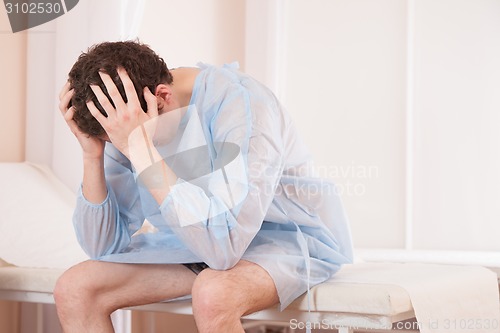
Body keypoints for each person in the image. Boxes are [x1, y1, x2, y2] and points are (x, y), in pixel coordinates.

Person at [54, 40, 353, 333]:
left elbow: (224, 249)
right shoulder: (130, 118)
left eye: (126, 143)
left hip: (285, 242)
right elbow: (103, 247)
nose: (124, 150)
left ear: (163, 96)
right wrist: (92, 154)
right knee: (75, 288)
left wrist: (141, 149)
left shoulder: (243, 106)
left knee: (213, 294)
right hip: (194, 243)